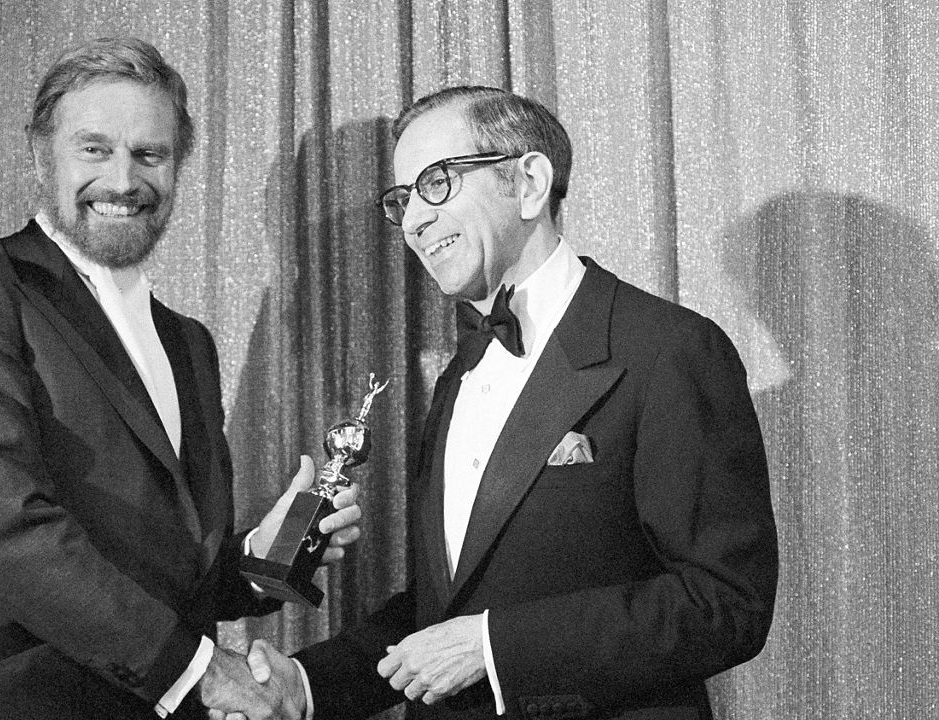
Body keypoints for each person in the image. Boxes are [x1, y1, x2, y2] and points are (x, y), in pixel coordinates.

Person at [239, 86, 779, 719]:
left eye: (436, 182)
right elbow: (442, 612)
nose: (413, 220)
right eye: (403, 198)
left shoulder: (668, 350)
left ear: (529, 183)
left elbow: (725, 603)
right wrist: (305, 685)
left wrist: (496, 648)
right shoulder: (457, 375)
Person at [0, 37, 357, 720]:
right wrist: (204, 671)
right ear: (39, 155)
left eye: (150, 154)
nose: (124, 180)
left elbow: (179, 575)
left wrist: (269, 551)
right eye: (95, 149)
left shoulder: (188, 341)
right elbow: (4, 533)